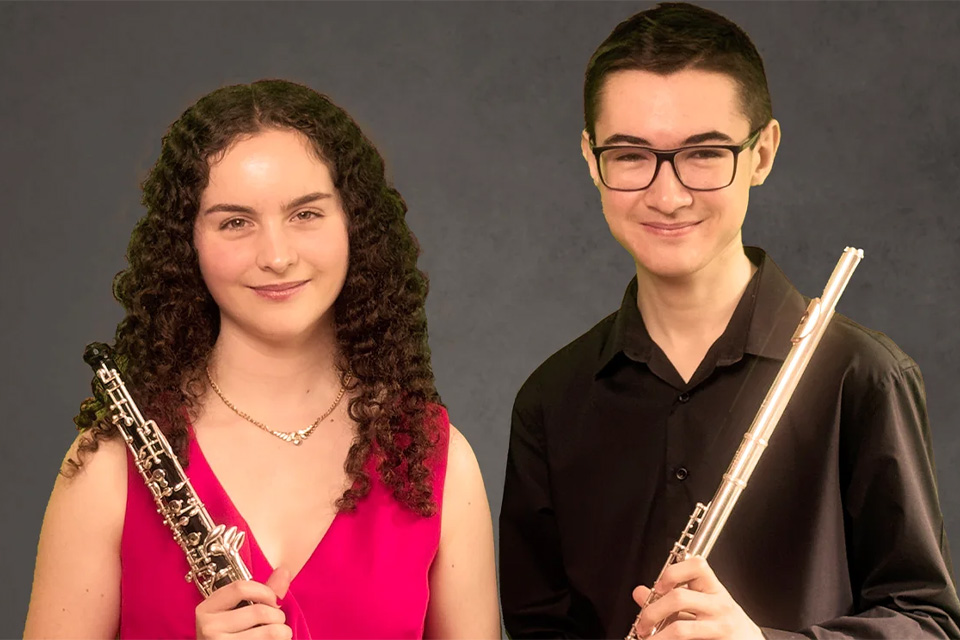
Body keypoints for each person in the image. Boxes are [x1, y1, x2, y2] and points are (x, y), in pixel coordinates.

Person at [499, 3, 960, 638]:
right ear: (590, 158)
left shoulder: (863, 376)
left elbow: (928, 624)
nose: (667, 194)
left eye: (706, 153)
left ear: (762, 153)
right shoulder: (551, 401)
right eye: (631, 155)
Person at [24, 79, 500, 639]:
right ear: (188, 242)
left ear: (354, 227)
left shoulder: (435, 461)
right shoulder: (107, 465)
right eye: (235, 222)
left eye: (306, 214)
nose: (276, 255)